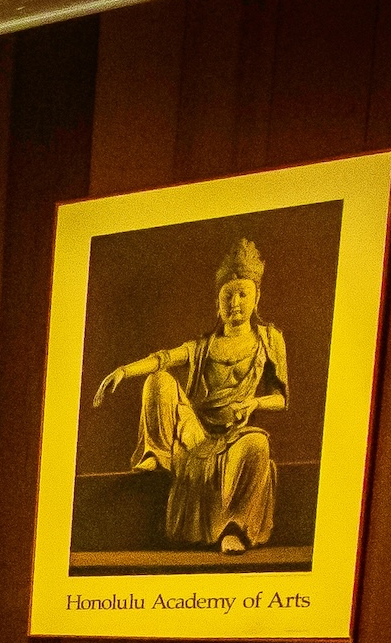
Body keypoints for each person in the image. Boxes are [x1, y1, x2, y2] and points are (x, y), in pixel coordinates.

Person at [90, 236, 287, 553]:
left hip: (236, 436)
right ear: (217, 302)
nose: (235, 302)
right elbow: (163, 357)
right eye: (228, 295)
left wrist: (254, 402)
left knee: (258, 443)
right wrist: (124, 370)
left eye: (242, 294)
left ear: (257, 297)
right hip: (194, 434)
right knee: (159, 380)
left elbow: (280, 398)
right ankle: (156, 453)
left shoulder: (269, 340)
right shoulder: (205, 346)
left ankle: (233, 529)